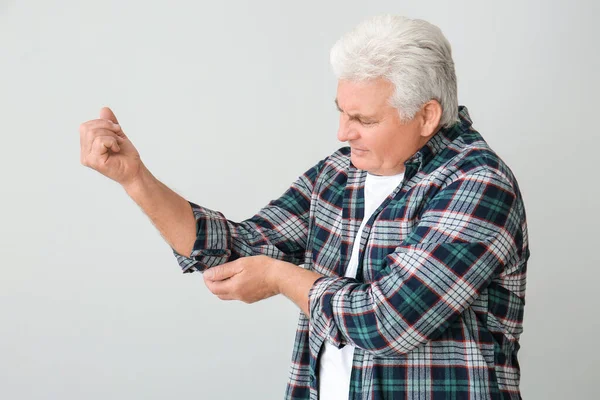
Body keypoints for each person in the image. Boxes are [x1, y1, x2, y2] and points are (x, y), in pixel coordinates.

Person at [79, 14, 529, 400]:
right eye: (341, 111)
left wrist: (279, 277)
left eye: (364, 119)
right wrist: (135, 179)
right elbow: (234, 248)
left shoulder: (479, 184)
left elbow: (387, 321)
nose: (342, 133)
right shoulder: (339, 174)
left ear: (427, 116)